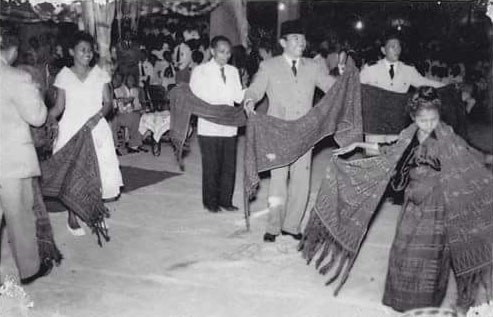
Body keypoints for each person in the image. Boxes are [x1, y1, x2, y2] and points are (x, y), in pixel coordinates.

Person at [330, 86, 492, 313]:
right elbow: (391, 149)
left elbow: (468, 155)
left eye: (433, 119)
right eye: (423, 120)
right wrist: (359, 144)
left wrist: (487, 160)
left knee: (431, 253)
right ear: (414, 117)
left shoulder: (447, 135)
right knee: (403, 248)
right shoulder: (409, 133)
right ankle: (401, 300)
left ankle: (426, 303)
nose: (428, 124)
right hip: (412, 202)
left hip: (437, 204)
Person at [244, 20, 337, 242]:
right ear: (283, 42)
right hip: (278, 133)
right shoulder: (269, 66)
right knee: (278, 181)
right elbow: (256, 88)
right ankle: (274, 226)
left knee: (301, 181)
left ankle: (292, 226)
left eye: (303, 39)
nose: (301, 43)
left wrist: (348, 81)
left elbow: (332, 88)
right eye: (296, 38)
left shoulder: (313, 67)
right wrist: (249, 99)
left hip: (305, 133)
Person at [49, 31, 123, 236]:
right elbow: (58, 107)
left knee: (97, 171)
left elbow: (108, 103)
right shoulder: (63, 75)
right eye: (83, 50)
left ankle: (95, 214)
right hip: (71, 129)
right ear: (72, 52)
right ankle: (72, 217)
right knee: (72, 175)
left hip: (96, 127)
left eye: (90, 51)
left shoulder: (100, 74)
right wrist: (44, 119)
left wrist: (96, 118)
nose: (88, 54)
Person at [0, 27, 53, 284]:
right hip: (12, 161)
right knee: (19, 217)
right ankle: (29, 270)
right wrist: (38, 93)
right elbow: (37, 117)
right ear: (12, 50)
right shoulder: (16, 77)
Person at [359, 33, 445, 148]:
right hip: (374, 122)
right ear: (383, 50)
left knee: (394, 155)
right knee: (372, 156)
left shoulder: (408, 69)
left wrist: (446, 86)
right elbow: (355, 88)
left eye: (398, 47)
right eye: (392, 47)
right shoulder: (370, 68)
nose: (397, 50)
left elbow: (424, 83)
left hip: (396, 121)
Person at [189, 35, 244, 213]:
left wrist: (250, 92)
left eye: (228, 53)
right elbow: (196, 95)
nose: (225, 56)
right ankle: (210, 202)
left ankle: (225, 200)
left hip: (229, 124)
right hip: (209, 124)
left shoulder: (233, 71)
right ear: (212, 51)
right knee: (211, 165)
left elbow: (237, 97)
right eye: (221, 52)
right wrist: (218, 104)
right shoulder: (200, 71)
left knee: (229, 165)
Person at [112, 73, 145, 154]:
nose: (131, 81)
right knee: (135, 118)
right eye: (129, 80)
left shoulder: (135, 90)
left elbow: (138, 105)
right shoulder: (118, 90)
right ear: (125, 81)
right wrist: (127, 103)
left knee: (141, 117)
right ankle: (133, 145)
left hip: (132, 113)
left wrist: (135, 107)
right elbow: (120, 108)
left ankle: (134, 145)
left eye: (133, 80)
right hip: (121, 115)